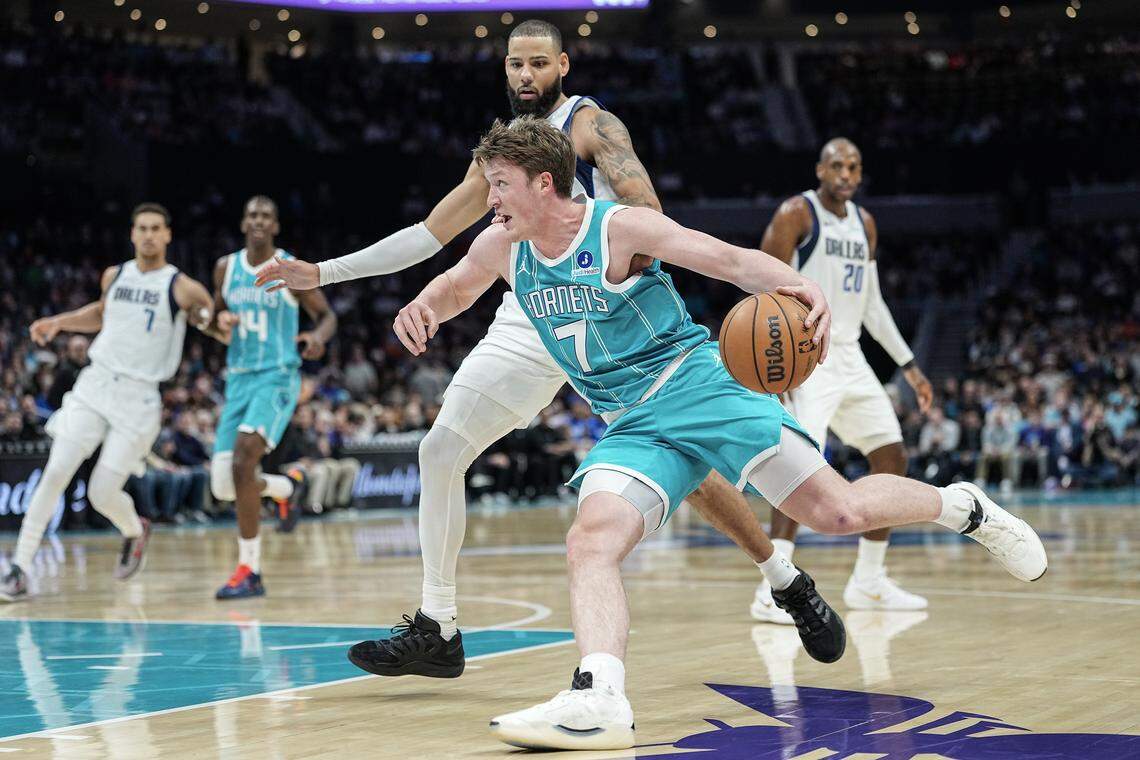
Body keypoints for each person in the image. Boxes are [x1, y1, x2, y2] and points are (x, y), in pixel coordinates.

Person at [390, 117, 1047, 750]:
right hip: (633, 421)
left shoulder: (620, 229)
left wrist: (798, 288)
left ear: (542, 182)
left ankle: (963, 506)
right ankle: (600, 697)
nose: (490, 198)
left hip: (700, 387)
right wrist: (425, 306)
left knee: (835, 511)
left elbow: (728, 261)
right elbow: (455, 288)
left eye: (499, 183)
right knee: (589, 542)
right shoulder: (500, 246)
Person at [256, 20, 810, 673]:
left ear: (563, 66)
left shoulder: (590, 124)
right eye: (515, 63)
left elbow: (648, 212)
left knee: (687, 462)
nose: (524, 75)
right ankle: (438, 626)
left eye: (537, 63)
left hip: (607, 311)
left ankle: (783, 576)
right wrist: (323, 273)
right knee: (439, 450)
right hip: (531, 314)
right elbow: (430, 235)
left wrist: (627, 273)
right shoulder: (501, 154)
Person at [751, 138, 937, 620]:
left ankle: (870, 581)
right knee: (801, 466)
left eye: (854, 166)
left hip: (852, 355)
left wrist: (909, 365)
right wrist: (780, 361)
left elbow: (873, 304)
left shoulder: (865, 223)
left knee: (891, 454)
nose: (846, 173)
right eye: (837, 165)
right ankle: (773, 587)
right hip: (810, 353)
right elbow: (759, 283)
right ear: (820, 169)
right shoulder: (797, 213)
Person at [1, 203, 214, 602]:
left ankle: (135, 530)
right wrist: (59, 322)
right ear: (132, 234)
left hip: (140, 398)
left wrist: (218, 321)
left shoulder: (181, 286)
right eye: (142, 228)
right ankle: (20, 568)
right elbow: (102, 313)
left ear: (167, 234)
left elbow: (210, 319)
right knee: (56, 470)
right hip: (95, 384)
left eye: (156, 228)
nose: (148, 235)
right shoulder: (114, 275)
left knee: (101, 493)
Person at [206, 196, 337, 599]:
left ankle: (250, 570)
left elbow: (328, 316)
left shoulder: (287, 268)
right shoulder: (225, 268)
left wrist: (316, 337)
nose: (259, 221)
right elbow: (214, 321)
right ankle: (286, 487)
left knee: (245, 460)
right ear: (244, 223)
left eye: (266, 215)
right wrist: (219, 321)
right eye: (252, 215)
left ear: (275, 226)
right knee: (225, 487)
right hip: (239, 381)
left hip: (278, 376)